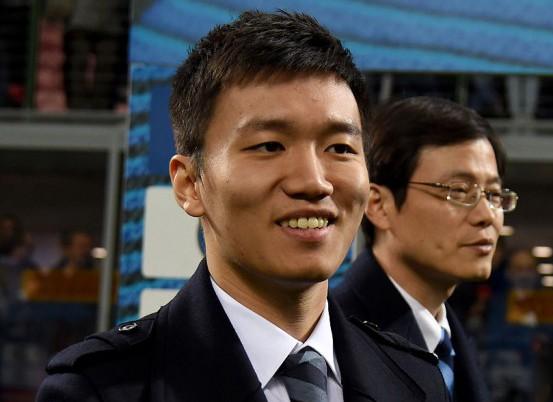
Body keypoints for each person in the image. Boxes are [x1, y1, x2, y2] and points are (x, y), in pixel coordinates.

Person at [36, 11, 448, 402]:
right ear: (189, 184)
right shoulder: (99, 390)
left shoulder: (415, 379)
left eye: (340, 148)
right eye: (269, 146)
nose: (314, 182)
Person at [334, 96, 519, 402]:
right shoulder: (334, 335)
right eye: (459, 191)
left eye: (494, 194)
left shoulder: (450, 334)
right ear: (378, 205)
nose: (487, 215)